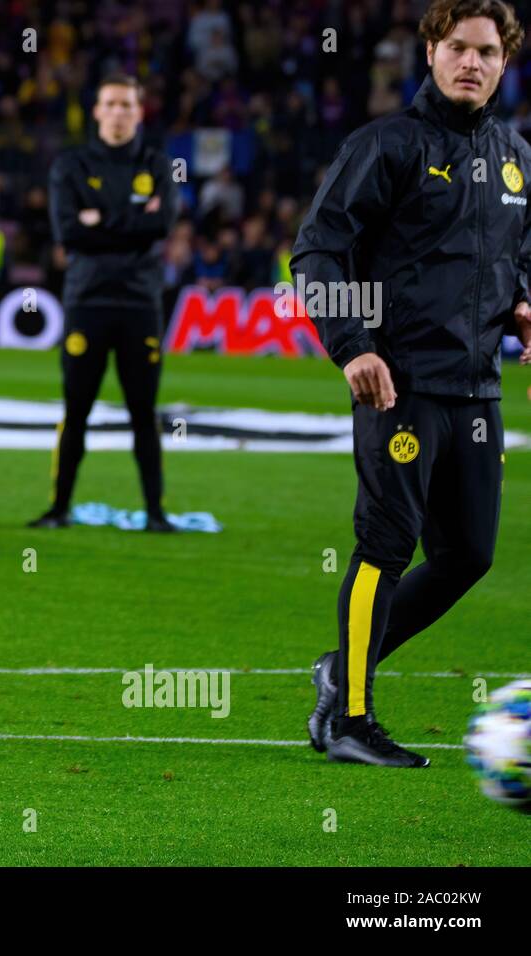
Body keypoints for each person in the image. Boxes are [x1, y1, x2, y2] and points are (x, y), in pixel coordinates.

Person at [292, 0, 531, 767]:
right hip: (398, 384)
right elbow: (318, 253)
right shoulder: (386, 145)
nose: (473, 62)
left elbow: (513, 255)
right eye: (458, 47)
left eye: (488, 52)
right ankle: (347, 720)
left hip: (478, 389)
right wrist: (353, 347)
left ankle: (342, 669)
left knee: (469, 555)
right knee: (385, 546)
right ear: (430, 51)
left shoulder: (515, 153)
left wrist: (522, 301)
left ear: (505, 61)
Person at [30, 74, 180, 532]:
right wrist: (134, 219)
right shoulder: (70, 166)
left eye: (126, 105)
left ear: (140, 112)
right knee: (76, 409)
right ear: (96, 111)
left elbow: (163, 226)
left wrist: (100, 220)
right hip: (87, 302)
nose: (118, 113)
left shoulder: (159, 164)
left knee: (143, 411)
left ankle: (155, 513)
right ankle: (59, 510)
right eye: (110, 104)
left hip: (140, 304)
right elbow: (69, 233)